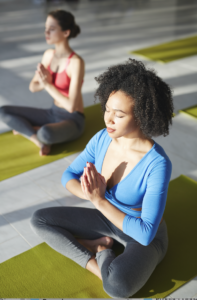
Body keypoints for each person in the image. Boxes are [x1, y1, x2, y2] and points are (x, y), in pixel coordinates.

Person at [30, 59, 173, 298]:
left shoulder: (158, 163)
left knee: (117, 287)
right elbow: (68, 175)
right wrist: (90, 194)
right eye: (107, 109)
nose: (108, 119)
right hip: (105, 219)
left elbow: (146, 232)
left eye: (118, 114)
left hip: (143, 235)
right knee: (40, 220)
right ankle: (98, 255)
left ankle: (103, 251)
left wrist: (99, 201)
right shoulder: (102, 139)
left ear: (141, 116)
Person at [0, 10, 85, 156]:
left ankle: (31, 130)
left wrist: (48, 85)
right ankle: (36, 138)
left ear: (66, 33)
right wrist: (43, 81)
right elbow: (33, 87)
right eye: (46, 28)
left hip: (72, 119)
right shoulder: (49, 54)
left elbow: (71, 106)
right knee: (3, 111)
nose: (46, 32)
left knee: (46, 133)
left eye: (52, 29)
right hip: (53, 112)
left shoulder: (76, 62)